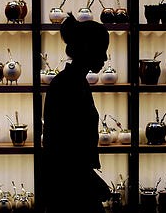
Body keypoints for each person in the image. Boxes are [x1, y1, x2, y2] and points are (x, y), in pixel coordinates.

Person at [42, 12, 111, 213]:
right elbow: (64, 149)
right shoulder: (68, 85)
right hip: (70, 191)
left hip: (69, 186)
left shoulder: (71, 82)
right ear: (87, 49)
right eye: (102, 50)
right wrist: (91, 182)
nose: (105, 57)